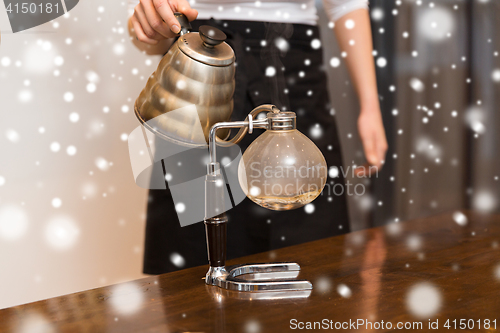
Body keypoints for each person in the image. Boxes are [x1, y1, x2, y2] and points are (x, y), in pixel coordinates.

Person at [128, 0, 387, 274]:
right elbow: (145, 25)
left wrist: (370, 106)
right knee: (193, 262)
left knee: (313, 259)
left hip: (296, 68)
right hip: (199, 68)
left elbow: (345, 4)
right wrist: (151, 25)